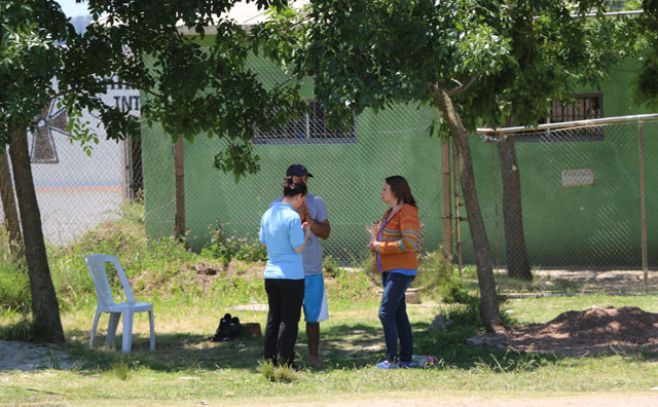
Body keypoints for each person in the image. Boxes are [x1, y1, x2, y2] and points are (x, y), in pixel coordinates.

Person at [274, 164, 331, 368]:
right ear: (290, 180)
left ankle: (314, 357)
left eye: (307, 178)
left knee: (313, 318)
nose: (305, 181)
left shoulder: (316, 202)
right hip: (289, 272)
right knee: (288, 318)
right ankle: (284, 358)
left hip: (313, 270)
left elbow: (325, 232)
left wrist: (309, 220)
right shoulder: (279, 205)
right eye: (301, 178)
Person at [368, 175, 421, 369]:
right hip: (389, 269)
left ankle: (392, 360)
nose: (381, 192)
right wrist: (375, 245)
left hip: (402, 270)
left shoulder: (407, 212)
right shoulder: (389, 212)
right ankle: (405, 359)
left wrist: (380, 245)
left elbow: (409, 242)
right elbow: (386, 242)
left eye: (384, 189)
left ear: (396, 192)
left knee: (385, 312)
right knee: (398, 313)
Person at [260, 177, 310, 367]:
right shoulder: (292, 217)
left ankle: (269, 359)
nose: (302, 202)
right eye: (302, 198)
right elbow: (298, 247)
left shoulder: (268, 214)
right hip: (291, 276)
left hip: (271, 274)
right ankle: (285, 361)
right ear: (297, 196)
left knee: (274, 317)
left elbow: (264, 240)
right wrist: (306, 233)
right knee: (289, 320)